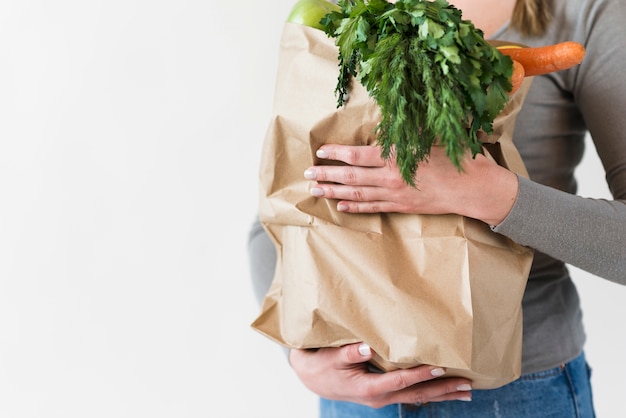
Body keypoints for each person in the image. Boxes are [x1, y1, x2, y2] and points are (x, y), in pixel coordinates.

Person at [248, 0, 626, 416]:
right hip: (359, 397)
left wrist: (490, 193)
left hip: (520, 393)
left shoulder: (585, 10)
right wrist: (301, 357)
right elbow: (281, 217)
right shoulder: (344, 12)